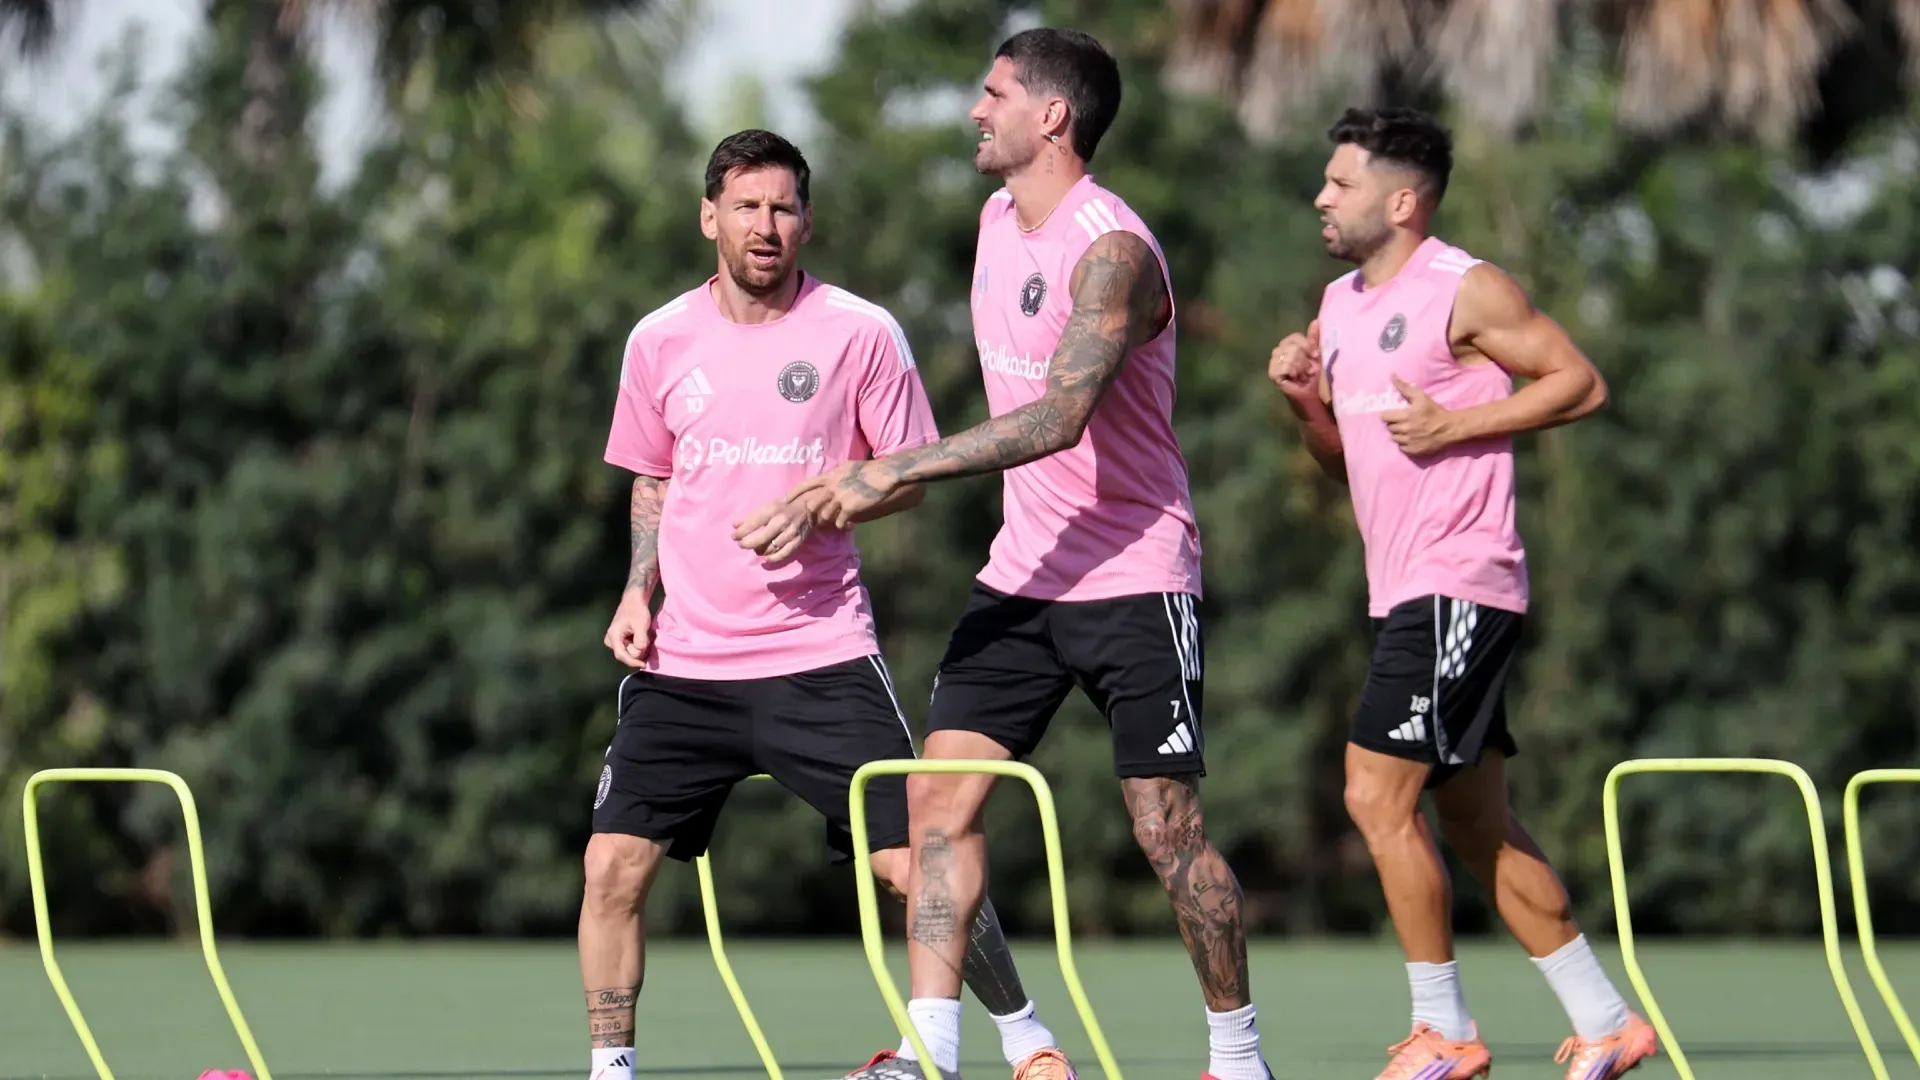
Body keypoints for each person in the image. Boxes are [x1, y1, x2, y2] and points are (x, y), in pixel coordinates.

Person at [785, 29, 1273, 1080]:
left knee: (1164, 830)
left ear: (1052, 116)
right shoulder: (995, 221)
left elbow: (1059, 416)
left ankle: (1238, 1061)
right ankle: (934, 1055)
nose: (975, 109)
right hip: (1020, 573)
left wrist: (896, 466)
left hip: (1137, 572)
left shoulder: (1116, 252)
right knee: (934, 808)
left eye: (994, 93)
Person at [581, 128, 1072, 1080]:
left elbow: (912, 475)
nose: (766, 227)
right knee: (611, 868)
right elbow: (651, 477)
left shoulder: (860, 330)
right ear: (709, 217)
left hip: (819, 656)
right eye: (747, 206)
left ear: (806, 221)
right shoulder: (659, 339)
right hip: (683, 666)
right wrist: (638, 588)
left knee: (915, 862)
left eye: (784, 208)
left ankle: (1028, 1039)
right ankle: (611, 1073)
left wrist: (829, 497)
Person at [1265, 105, 1658, 1080]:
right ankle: (1607, 1023)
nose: (1321, 195)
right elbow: (1340, 461)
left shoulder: (1463, 285)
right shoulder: (1340, 302)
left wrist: (1463, 429)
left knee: (1372, 792)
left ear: (1401, 200)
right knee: (1477, 824)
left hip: (1461, 581)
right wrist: (1304, 399)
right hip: (1401, 594)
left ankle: (1444, 1031)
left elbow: (1581, 381)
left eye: (1340, 182)